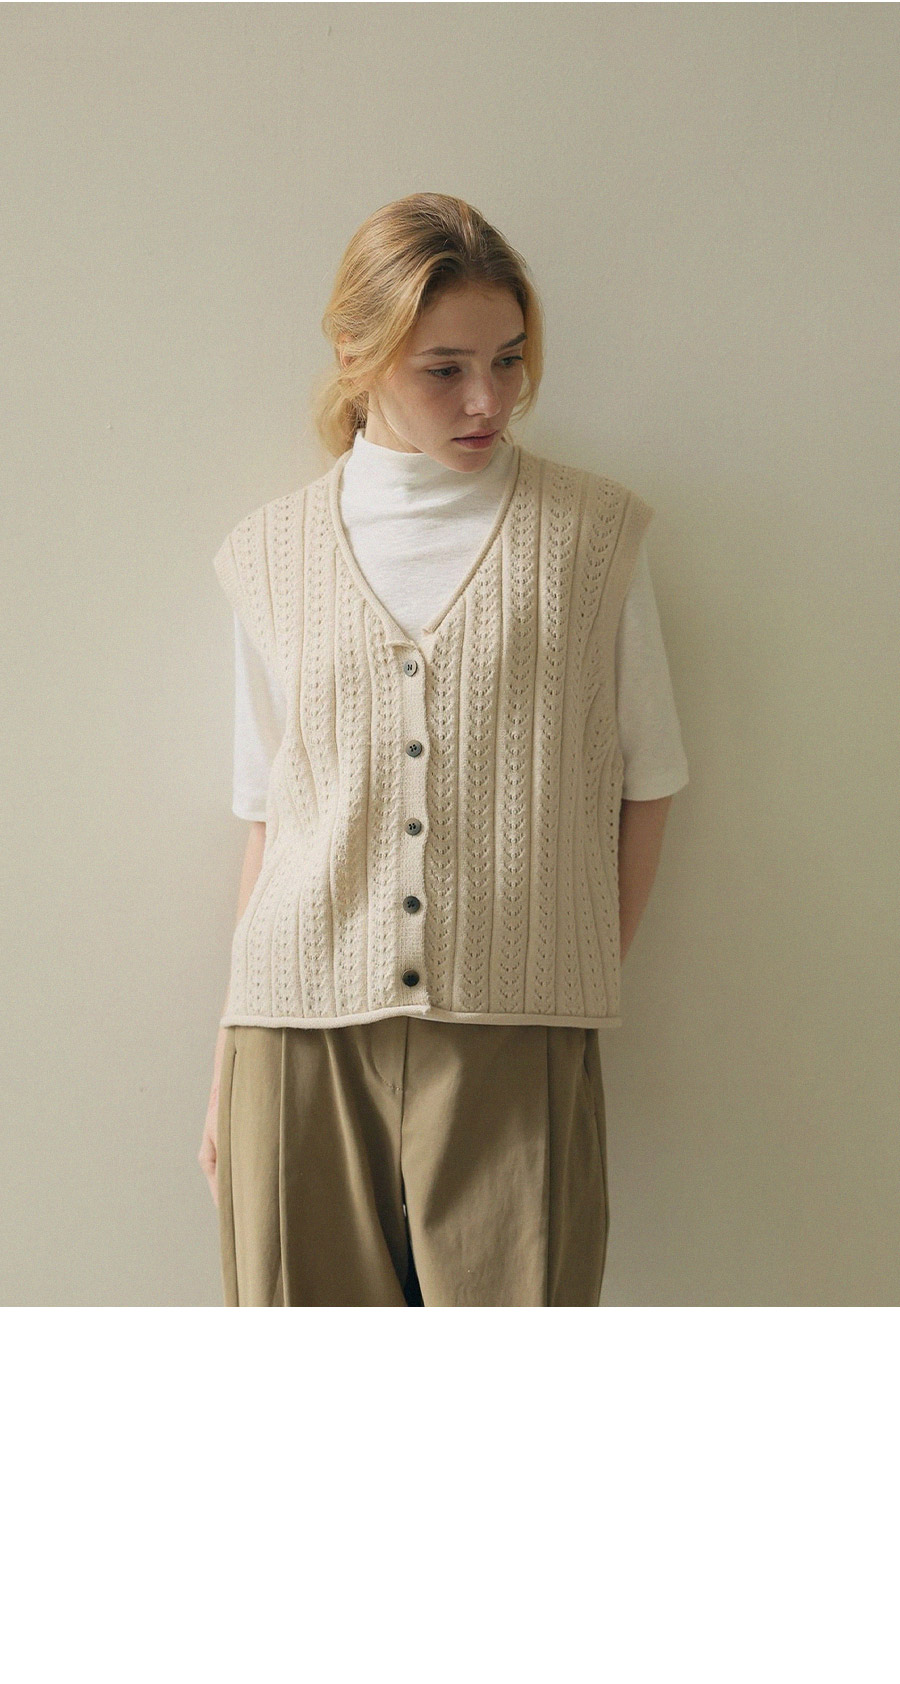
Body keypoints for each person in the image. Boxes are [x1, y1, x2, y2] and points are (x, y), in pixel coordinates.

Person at [197, 193, 688, 1306]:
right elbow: (271, 818)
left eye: (509, 360)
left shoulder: (593, 537)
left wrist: (559, 974)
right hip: (295, 1035)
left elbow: (648, 781)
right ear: (355, 356)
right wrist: (226, 1062)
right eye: (445, 369)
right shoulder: (267, 554)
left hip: (516, 1035)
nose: (488, 400)